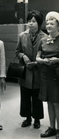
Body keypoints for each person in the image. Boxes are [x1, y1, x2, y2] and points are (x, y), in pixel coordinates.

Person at [16, 10, 46, 129]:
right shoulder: (22, 36)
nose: (30, 23)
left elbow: (46, 54)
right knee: (25, 96)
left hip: (38, 71)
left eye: (33, 21)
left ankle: (37, 119)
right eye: (29, 21)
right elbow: (17, 51)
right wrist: (23, 56)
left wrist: (36, 63)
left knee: (37, 97)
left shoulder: (44, 37)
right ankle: (27, 118)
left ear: (39, 23)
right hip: (25, 71)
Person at [36, 11, 59, 139]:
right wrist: (41, 60)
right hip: (45, 74)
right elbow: (37, 57)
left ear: (58, 26)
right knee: (49, 102)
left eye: (52, 23)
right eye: (47, 23)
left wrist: (57, 60)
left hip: (57, 75)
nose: (49, 25)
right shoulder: (43, 40)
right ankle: (52, 128)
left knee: (57, 103)